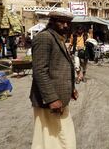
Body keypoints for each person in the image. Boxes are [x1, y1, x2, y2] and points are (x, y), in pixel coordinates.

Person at [30, 11, 77, 149]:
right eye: (61, 21)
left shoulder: (58, 38)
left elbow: (60, 67)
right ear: (52, 21)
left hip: (60, 98)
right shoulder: (45, 37)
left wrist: (71, 89)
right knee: (51, 139)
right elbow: (40, 71)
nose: (65, 25)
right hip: (49, 101)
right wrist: (51, 99)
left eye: (68, 22)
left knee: (60, 138)